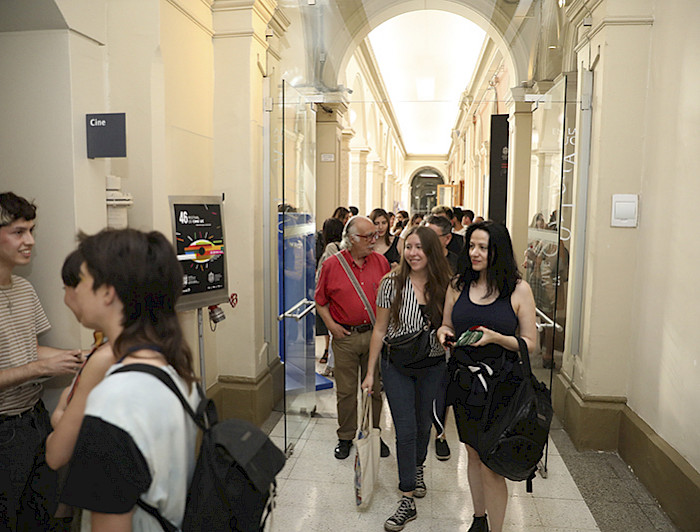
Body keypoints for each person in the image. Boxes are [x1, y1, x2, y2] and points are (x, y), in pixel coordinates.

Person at [59, 229, 200, 531]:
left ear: (107, 292)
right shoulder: (176, 372)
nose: (73, 291)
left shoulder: (114, 400)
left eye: (81, 279)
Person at [437, 221, 537, 532]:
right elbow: (446, 325)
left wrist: (495, 338)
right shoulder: (458, 285)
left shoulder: (518, 290)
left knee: (492, 463)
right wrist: (445, 333)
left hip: (502, 386)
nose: (475, 253)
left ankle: (496, 528)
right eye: (472, 246)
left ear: (498, 251)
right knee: (473, 454)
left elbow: (530, 344)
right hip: (465, 384)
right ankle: (478, 519)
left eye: (483, 247)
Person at [0, 192, 83, 531]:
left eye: (32, 230)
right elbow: (32, 365)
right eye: (19, 232)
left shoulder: (23, 289)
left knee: (40, 515)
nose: (30, 241)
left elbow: (29, 351)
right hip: (3, 430)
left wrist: (78, 359)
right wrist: (38, 369)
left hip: (34, 423)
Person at [362, 226, 452, 531]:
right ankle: (406, 496)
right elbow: (379, 328)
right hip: (397, 364)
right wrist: (370, 372)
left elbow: (452, 324)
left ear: (432, 252)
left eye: (420, 248)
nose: (413, 253)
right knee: (405, 427)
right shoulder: (391, 283)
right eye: (409, 247)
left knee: (424, 422)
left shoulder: (445, 284)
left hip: (433, 364)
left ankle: (417, 469)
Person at [45, 250, 117, 527]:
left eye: (69, 289)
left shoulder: (105, 358)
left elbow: (56, 452)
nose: (66, 299)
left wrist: (62, 414)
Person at [315, 216, 390, 460]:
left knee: (374, 390)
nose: (373, 240)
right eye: (367, 236)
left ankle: (372, 433)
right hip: (345, 337)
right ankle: (345, 436)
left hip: (374, 335)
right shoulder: (332, 265)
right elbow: (320, 300)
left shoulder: (381, 263)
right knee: (346, 391)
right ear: (351, 239)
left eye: (375, 235)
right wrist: (331, 326)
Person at [315, 217, 345, 371]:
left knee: (334, 332)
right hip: (341, 294)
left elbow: (325, 271)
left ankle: (332, 366)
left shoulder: (331, 248)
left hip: (333, 295)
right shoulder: (345, 247)